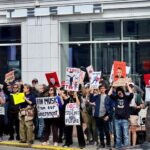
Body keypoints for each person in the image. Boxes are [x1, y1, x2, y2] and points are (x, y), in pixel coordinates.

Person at [108, 83, 133, 149]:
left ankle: (126, 147)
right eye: (117, 91)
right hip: (117, 119)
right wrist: (112, 86)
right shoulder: (116, 98)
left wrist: (127, 86)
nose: (118, 92)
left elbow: (131, 94)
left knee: (125, 135)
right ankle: (118, 147)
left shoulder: (127, 98)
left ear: (122, 91)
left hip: (125, 119)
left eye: (120, 90)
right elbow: (109, 94)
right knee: (118, 135)